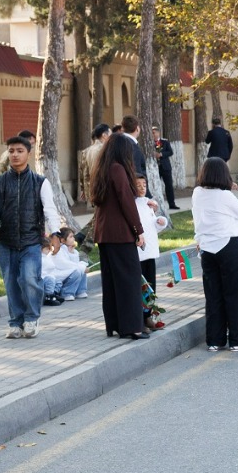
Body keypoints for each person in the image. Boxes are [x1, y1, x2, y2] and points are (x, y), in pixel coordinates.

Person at [0, 135, 62, 339]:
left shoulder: (40, 182)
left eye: (19, 151)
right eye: (11, 151)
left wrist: (55, 234)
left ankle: (31, 318)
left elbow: (50, 210)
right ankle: (15, 322)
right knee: (11, 283)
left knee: (29, 279)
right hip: (6, 242)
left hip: (31, 242)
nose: (15, 155)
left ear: (28, 153)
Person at [193, 156, 238, 351]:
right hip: (227, 245)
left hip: (206, 248)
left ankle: (215, 340)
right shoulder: (224, 196)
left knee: (213, 295)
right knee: (236, 292)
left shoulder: (197, 193)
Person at [90, 130, 148, 340]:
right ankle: (131, 327)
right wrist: (138, 230)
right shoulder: (118, 170)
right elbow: (126, 201)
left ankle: (114, 324)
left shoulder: (102, 169)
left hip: (104, 233)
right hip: (120, 233)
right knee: (129, 281)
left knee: (112, 281)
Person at [133, 175, 169, 293]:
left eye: (144, 185)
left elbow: (151, 226)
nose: (142, 188)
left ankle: (150, 308)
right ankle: (143, 310)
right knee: (141, 283)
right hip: (140, 251)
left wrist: (160, 222)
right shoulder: (132, 205)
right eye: (138, 185)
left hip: (150, 251)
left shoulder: (148, 203)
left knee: (151, 282)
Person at [40, 230, 89, 305]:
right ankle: (67, 293)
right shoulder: (58, 251)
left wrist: (72, 252)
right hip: (58, 275)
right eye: (71, 237)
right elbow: (65, 265)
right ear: (62, 240)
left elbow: (74, 263)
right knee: (79, 270)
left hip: (64, 273)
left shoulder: (68, 249)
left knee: (81, 269)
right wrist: (82, 267)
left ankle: (80, 291)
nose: (73, 239)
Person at [152, 126, 178, 209]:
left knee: (169, 186)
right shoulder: (149, 143)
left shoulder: (165, 142)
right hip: (154, 168)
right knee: (155, 186)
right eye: (152, 133)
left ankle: (172, 204)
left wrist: (161, 154)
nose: (153, 134)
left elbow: (170, 152)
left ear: (158, 133)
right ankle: (155, 205)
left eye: (154, 132)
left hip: (165, 167)